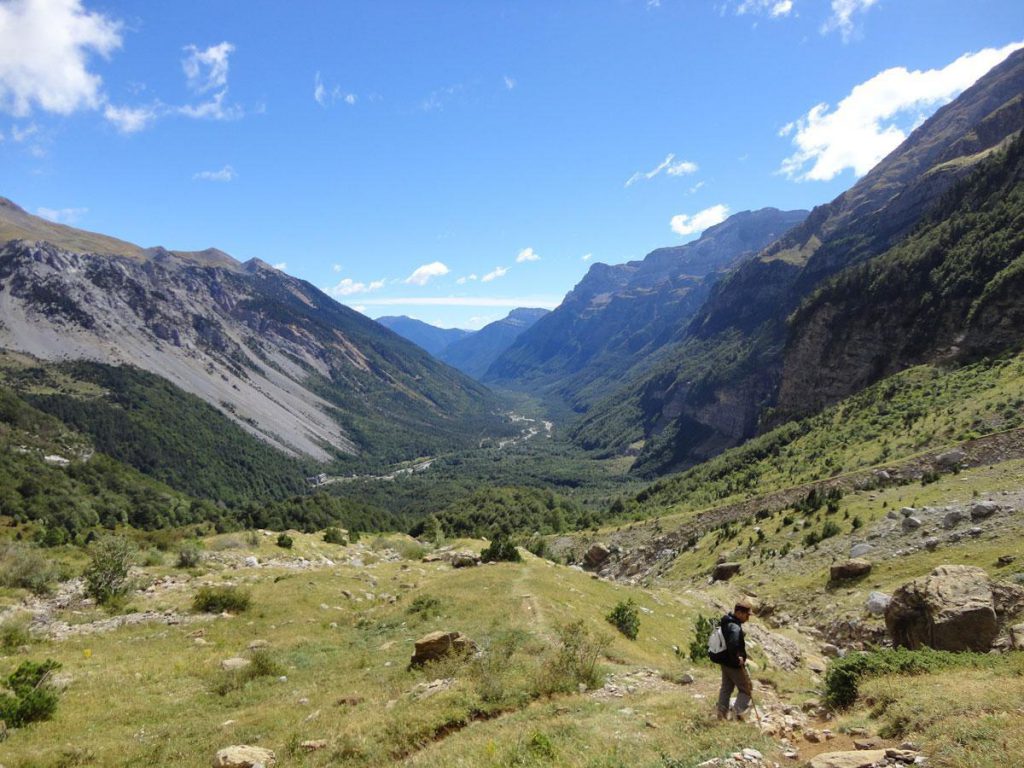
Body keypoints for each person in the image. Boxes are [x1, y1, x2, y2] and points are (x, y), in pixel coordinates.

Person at [715, 597, 754, 721]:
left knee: (726, 688)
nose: (748, 618)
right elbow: (733, 644)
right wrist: (739, 658)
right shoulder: (735, 627)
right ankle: (737, 716)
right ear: (739, 613)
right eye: (747, 615)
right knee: (746, 689)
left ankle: (721, 715)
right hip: (733, 664)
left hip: (724, 662)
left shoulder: (726, 622)